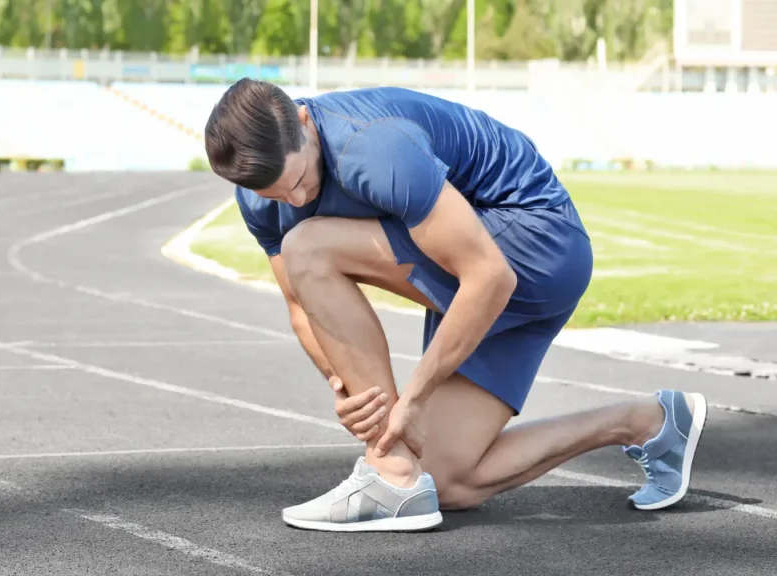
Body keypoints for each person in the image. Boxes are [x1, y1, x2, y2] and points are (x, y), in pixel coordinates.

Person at [202, 78, 709, 533]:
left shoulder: (372, 148)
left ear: (305, 121)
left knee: (307, 246)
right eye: (274, 193)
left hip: (536, 244)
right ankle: (647, 421)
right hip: (479, 275)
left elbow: (489, 275)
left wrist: (413, 400)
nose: (293, 200)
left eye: (299, 179)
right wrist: (343, 388)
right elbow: (299, 306)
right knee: (445, 483)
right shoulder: (262, 196)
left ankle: (387, 473)